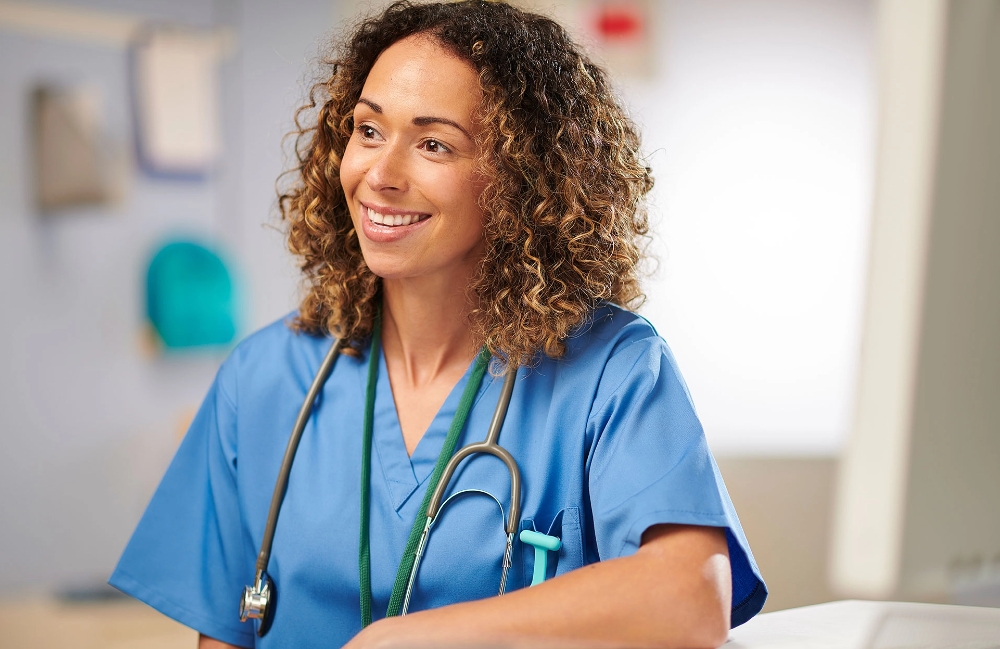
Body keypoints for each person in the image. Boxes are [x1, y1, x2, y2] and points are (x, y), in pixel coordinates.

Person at [110, 2, 767, 647]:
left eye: (433, 143)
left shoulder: (612, 370)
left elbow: (689, 599)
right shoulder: (263, 379)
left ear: (520, 177)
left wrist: (404, 640)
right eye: (368, 131)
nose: (381, 175)